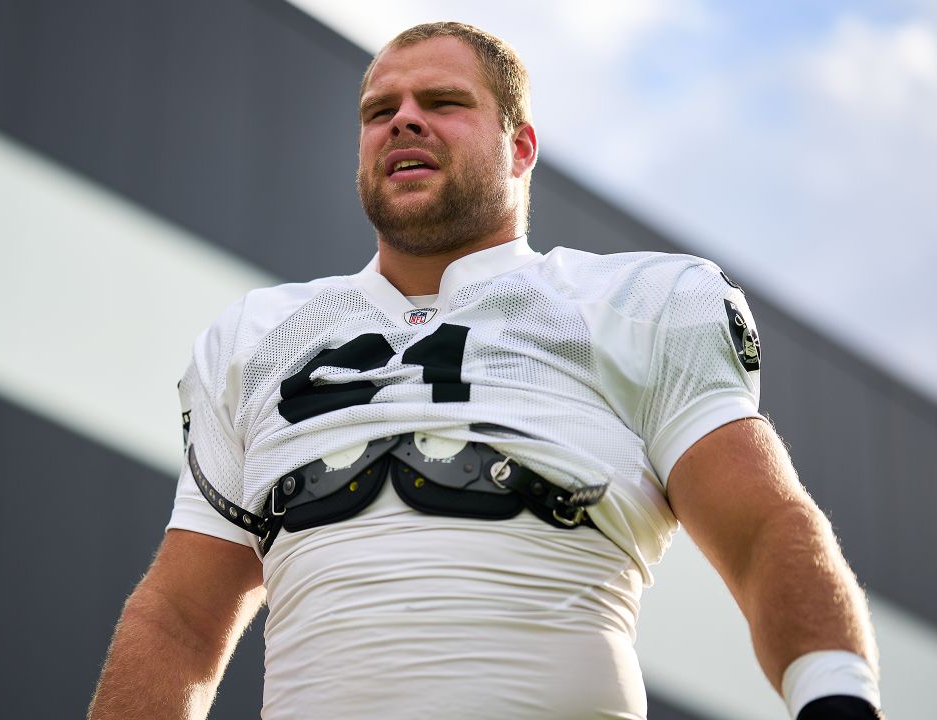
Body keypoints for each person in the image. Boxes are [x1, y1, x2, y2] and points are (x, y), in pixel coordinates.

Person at [88, 22, 882, 720]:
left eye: (442, 102)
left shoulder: (635, 304)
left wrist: (837, 699)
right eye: (379, 111)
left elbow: (764, 526)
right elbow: (181, 617)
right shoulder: (253, 338)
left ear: (521, 146)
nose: (403, 119)